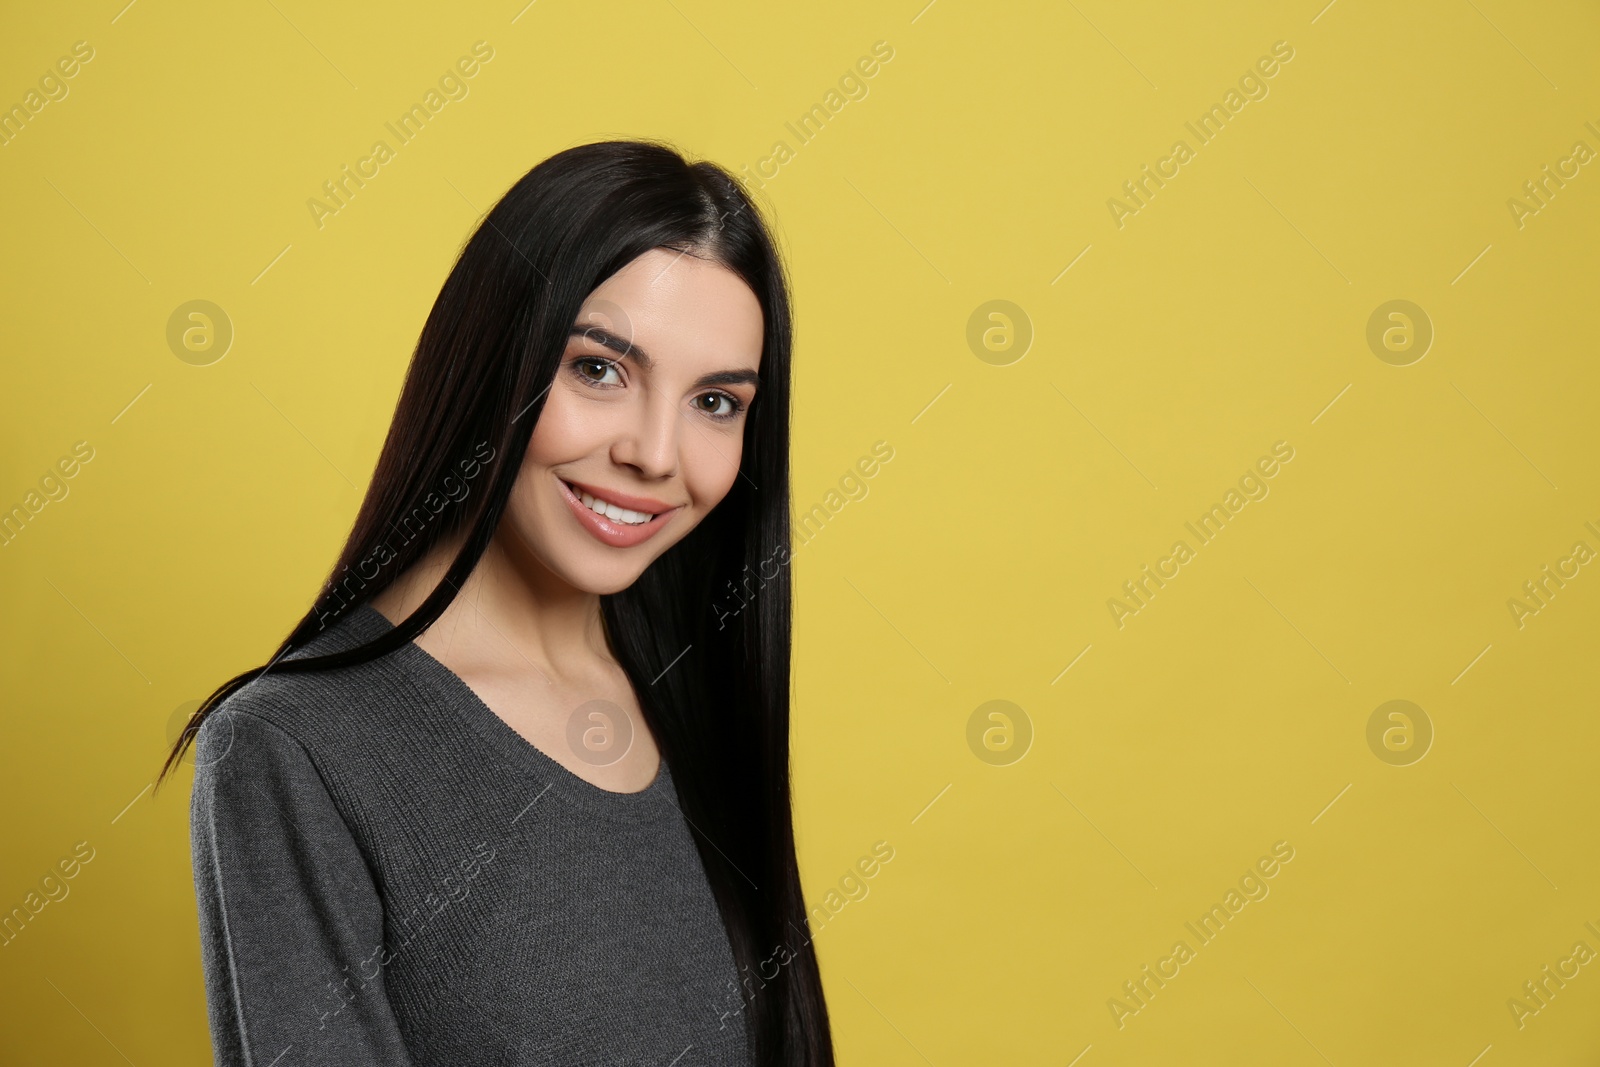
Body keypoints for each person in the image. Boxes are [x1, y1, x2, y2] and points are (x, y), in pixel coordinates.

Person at [157, 139, 835, 1067]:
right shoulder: (296, 748)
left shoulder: (694, 695)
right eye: (600, 369)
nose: (656, 453)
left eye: (715, 401)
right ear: (492, 357)